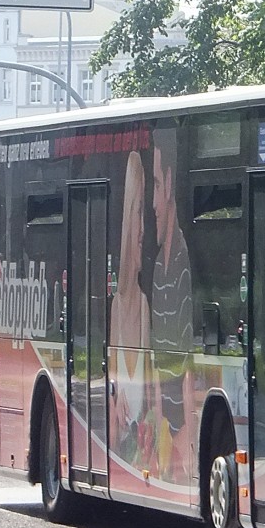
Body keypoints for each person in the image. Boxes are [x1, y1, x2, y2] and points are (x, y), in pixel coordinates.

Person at [149, 129, 195, 483]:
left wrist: (186, 441)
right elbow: (155, 360)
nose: (152, 203)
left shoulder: (182, 265)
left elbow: (189, 361)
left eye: (155, 186)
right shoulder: (157, 269)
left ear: (168, 183)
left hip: (179, 437)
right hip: (164, 431)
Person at [110, 151, 152, 461]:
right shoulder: (116, 307)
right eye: (137, 212)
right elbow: (109, 433)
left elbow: (150, 399)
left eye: (144, 214)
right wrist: (114, 410)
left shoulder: (144, 306)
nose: (142, 229)